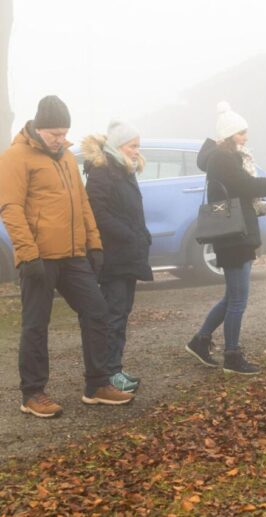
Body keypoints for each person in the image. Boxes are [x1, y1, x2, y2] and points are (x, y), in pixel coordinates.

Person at [0, 96, 135, 418]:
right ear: (38, 128)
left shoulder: (65, 158)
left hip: (74, 256)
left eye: (64, 133)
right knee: (36, 325)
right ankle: (32, 393)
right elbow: (11, 208)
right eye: (54, 134)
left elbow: (83, 204)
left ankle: (97, 385)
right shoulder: (15, 157)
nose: (61, 140)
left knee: (97, 312)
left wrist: (95, 244)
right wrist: (28, 255)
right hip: (40, 258)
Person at [185, 102, 266, 374]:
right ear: (228, 136)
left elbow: (244, 187)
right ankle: (232, 356)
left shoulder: (227, 157)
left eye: (245, 132)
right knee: (238, 299)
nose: (245, 137)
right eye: (240, 133)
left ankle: (200, 341)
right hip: (233, 236)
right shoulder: (223, 159)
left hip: (236, 234)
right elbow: (249, 186)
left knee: (232, 296)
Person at [82, 120, 153, 394]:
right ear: (118, 146)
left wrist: (141, 236)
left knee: (122, 313)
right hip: (113, 257)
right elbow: (98, 213)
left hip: (128, 254)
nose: (137, 151)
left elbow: (132, 212)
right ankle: (109, 374)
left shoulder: (125, 171)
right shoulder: (102, 172)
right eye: (133, 146)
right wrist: (129, 235)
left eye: (138, 146)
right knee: (113, 314)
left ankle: (116, 367)